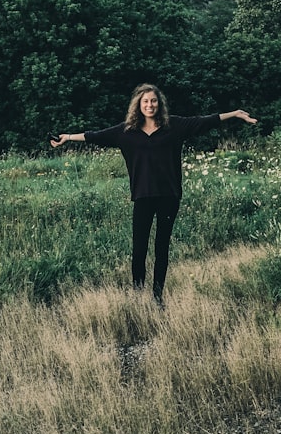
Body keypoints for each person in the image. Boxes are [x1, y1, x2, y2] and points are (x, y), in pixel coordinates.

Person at [50, 83, 257, 305]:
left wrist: (235, 114)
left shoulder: (174, 126)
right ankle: (138, 295)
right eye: (146, 101)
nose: (150, 105)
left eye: (154, 101)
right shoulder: (126, 132)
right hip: (142, 196)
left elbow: (204, 121)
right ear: (138, 105)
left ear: (160, 104)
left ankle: (158, 297)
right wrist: (68, 137)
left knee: (162, 248)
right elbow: (95, 136)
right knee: (139, 249)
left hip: (169, 196)